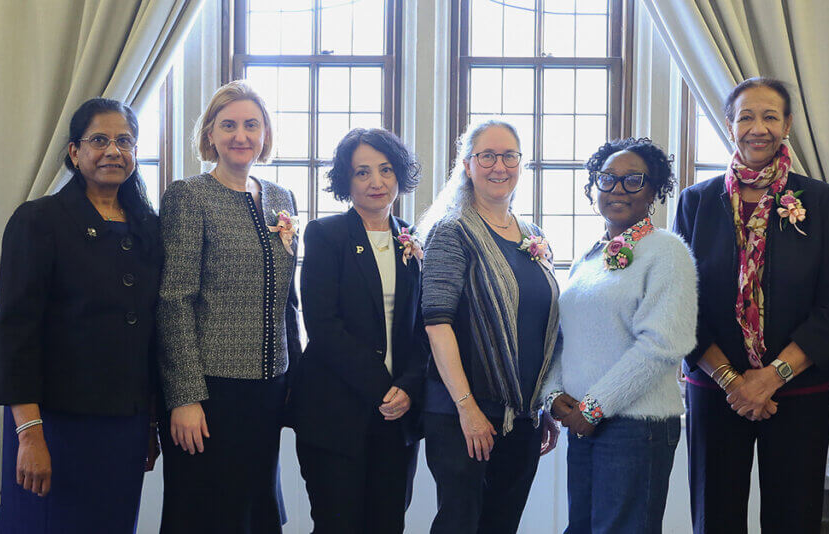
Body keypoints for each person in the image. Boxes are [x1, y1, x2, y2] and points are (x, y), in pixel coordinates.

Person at [673, 77, 829, 533]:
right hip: (718, 392)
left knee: (794, 517)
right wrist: (735, 381)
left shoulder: (820, 199)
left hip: (799, 390)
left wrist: (772, 377)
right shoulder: (696, 202)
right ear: (730, 124)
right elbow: (679, 303)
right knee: (715, 515)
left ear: (788, 124)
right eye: (747, 116)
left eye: (771, 116)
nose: (759, 127)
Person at [0, 97, 161, 533]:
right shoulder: (39, 220)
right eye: (99, 140)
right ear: (74, 152)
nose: (113, 151)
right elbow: (15, 332)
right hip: (54, 426)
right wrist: (29, 434)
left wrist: (150, 421)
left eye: (125, 141)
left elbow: (151, 332)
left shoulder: (148, 227)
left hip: (124, 427)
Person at [157, 80, 302, 534]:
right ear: (211, 135)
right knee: (207, 515)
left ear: (265, 134)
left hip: (267, 389)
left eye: (251, 125)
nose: (241, 135)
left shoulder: (281, 198)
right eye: (229, 125)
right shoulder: (189, 196)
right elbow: (174, 300)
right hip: (210, 394)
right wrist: (185, 397)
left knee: (257, 513)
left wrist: (294, 376)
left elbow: (287, 300)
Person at [540, 138, 696, 533]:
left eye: (633, 181)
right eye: (607, 179)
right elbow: (564, 337)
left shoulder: (667, 252)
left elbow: (662, 345)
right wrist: (554, 395)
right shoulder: (589, 257)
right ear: (594, 187)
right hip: (584, 423)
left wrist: (593, 408)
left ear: (654, 191)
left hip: (634, 427)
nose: (617, 190)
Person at [417, 120, 560, 533]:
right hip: (464, 414)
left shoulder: (532, 235)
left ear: (521, 163)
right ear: (467, 165)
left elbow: (540, 327)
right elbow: (436, 324)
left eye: (509, 155)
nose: (500, 165)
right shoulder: (452, 232)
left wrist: (541, 402)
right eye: (487, 156)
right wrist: (468, 409)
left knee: (502, 525)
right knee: (461, 524)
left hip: (523, 417)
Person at [291, 128, 427, 533]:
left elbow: (424, 327)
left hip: (397, 417)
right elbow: (322, 325)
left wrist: (408, 387)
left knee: (387, 524)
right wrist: (384, 386)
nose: (376, 182)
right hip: (335, 413)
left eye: (386, 170)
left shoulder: (412, 239)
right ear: (346, 181)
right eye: (362, 172)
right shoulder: (326, 234)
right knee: (338, 525)